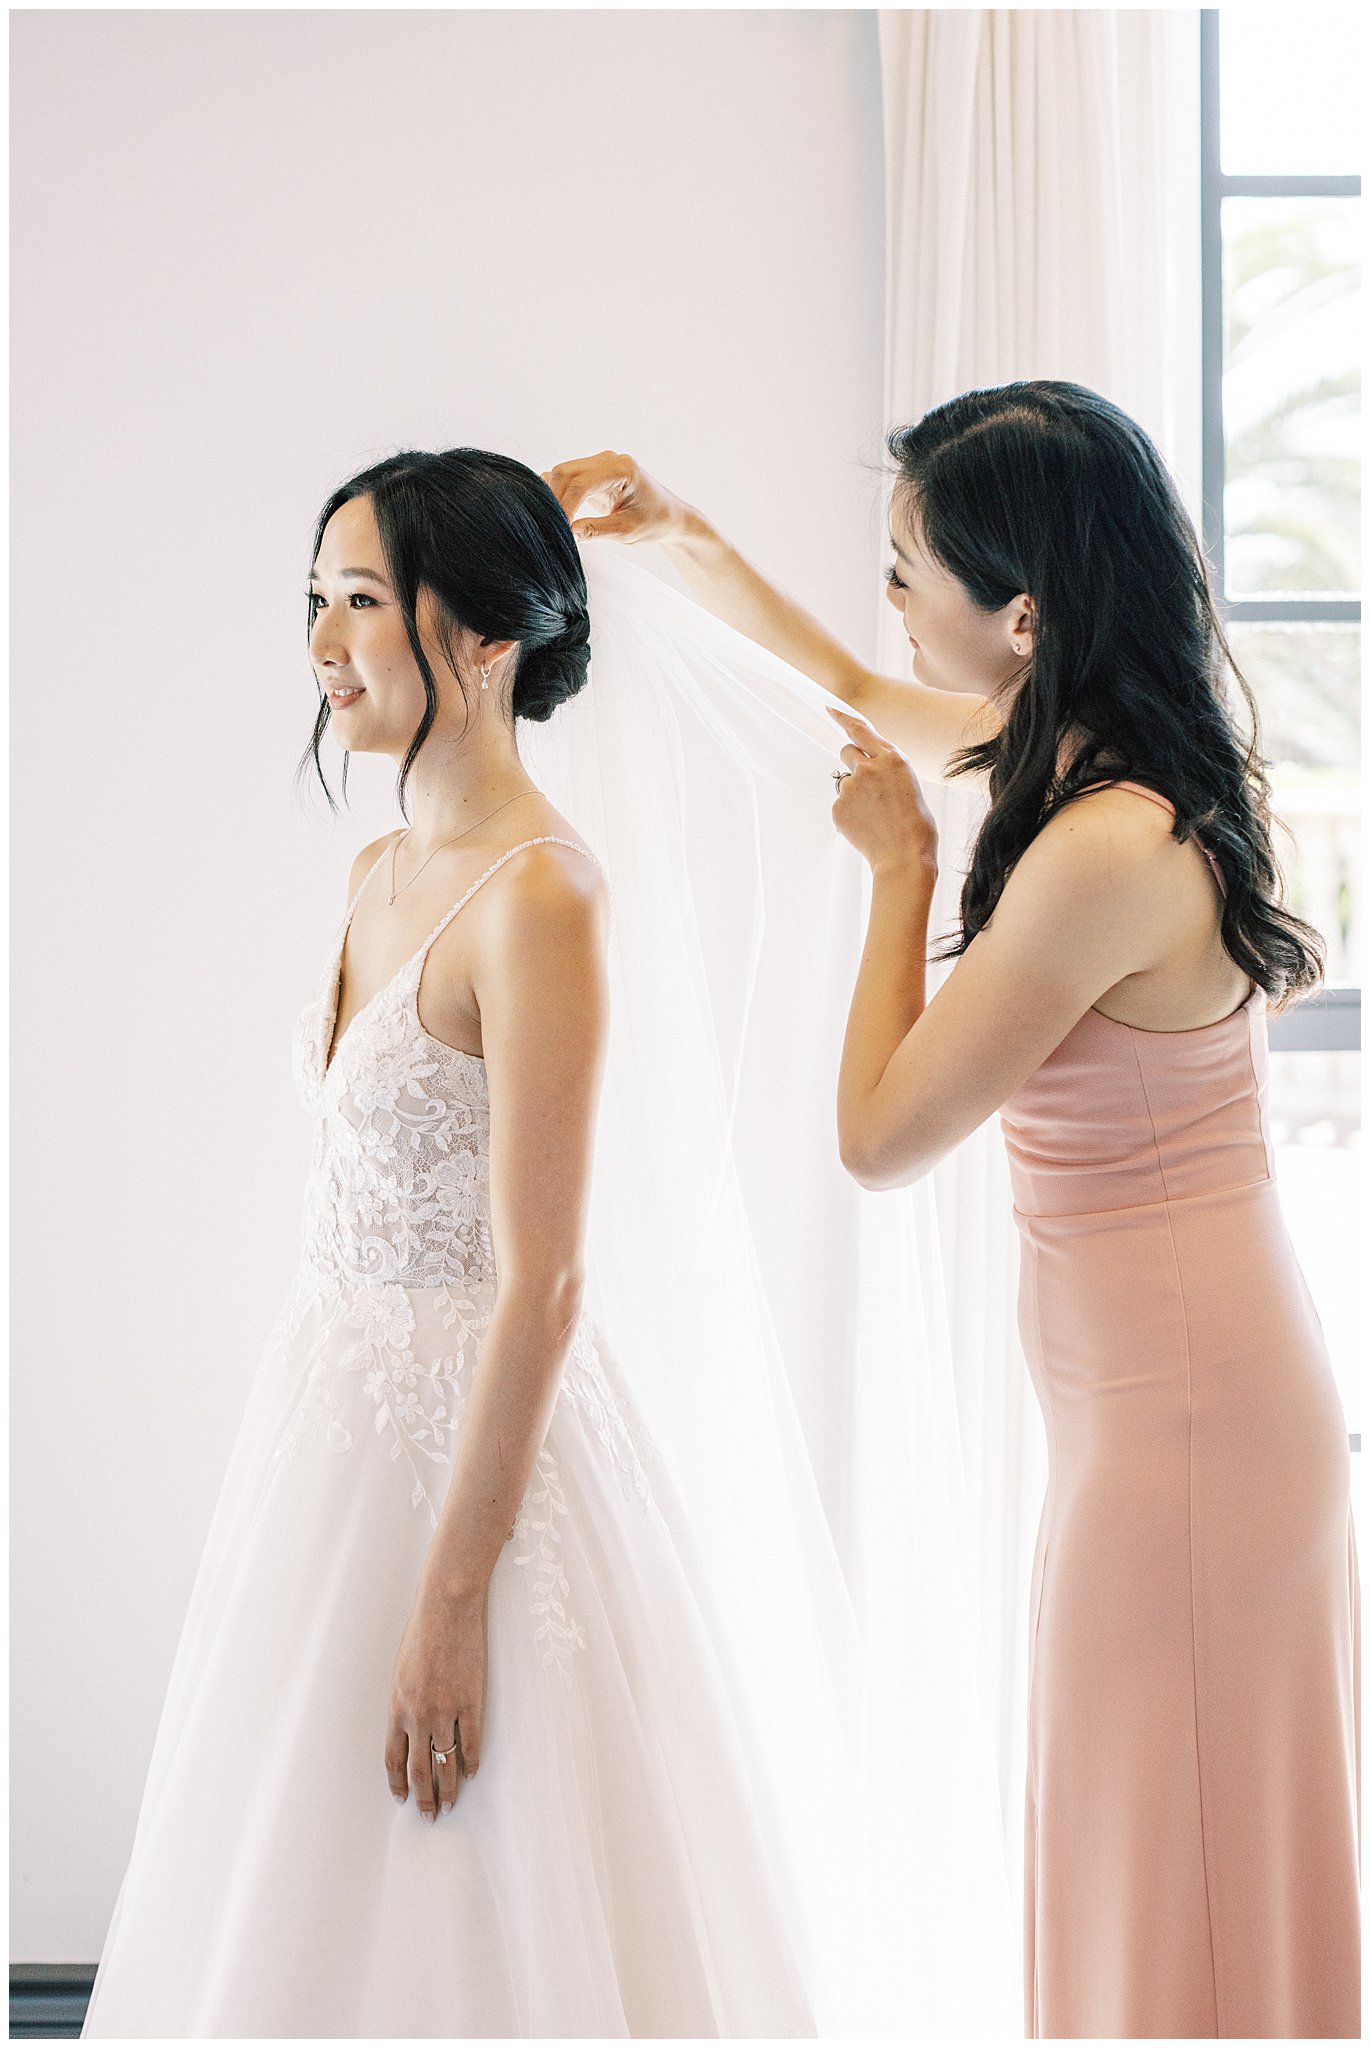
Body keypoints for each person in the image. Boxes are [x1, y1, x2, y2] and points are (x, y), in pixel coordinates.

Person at [546, 381, 1361, 2040]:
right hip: (1172, 1410)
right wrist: (681, 533)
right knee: (1163, 1841)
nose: (892, 601)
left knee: (1168, 1842)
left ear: (1024, 611)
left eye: (911, 567)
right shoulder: (1081, 755)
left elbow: (876, 1134)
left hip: (1185, 1431)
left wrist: (899, 876)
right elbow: (848, 689)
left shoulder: (1102, 848)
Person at [80, 448, 826, 2038]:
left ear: (483, 640)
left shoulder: (540, 897)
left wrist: (448, 1598)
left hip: (478, 1462)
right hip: (324, 1430)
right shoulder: (373, 873)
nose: (320, 643)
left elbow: (546, 1281)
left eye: (361, 600)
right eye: (314, 600)